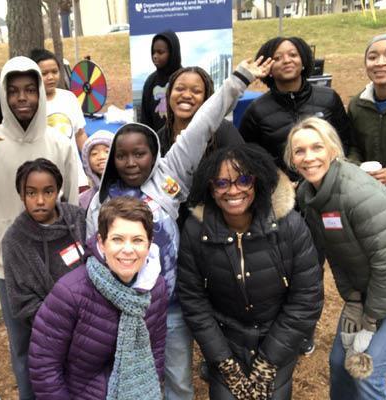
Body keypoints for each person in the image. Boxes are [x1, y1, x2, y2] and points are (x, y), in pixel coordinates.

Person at [86, 57, 273, 400]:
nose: (131, 163)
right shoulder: (100, 202)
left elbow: (204, 123)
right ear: (112, 159)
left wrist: (239, 80)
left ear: (153, 153)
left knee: (179, 384)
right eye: (122, 156)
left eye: (139, 154)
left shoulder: (168, 174)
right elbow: (93, 259)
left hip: (171, 306)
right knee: (129, 385)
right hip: (122, 311)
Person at [0, 56, 78, 400]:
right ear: (4, 95)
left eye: (29, 90)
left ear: (40, 92)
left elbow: (74, 207)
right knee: (23, 345)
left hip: (60, 265)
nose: (22, 98)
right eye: (14, 91)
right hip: (9, 266)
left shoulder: (59, 143)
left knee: (68, 340)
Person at [177, 144, 323, 399]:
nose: (233, 190)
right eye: (222, 183)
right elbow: (193, 300)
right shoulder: (195, 230)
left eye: (244, 180)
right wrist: (224, 363)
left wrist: (269, 361)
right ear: (210, 188)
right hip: (226, 341)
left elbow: (306, 298)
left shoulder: (290, 225)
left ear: (257, 182)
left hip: (276, 338)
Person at [285, 117, 386, 400]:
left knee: (367, 373)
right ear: (291, 158)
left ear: (333, 150)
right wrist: (354, 299)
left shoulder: (359, 194)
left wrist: (370, 319)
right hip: (371, 293)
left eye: (317, 148)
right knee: (339, 363)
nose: (309, 157)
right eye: (300, 151)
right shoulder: (309, 194)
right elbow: (336, 255)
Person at [28, 196, 167, 399]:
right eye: (117, 239)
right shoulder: (70, 293)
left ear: (149, 244)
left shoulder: (156, 287)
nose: (127, 249)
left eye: (137, 240)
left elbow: (156, 350)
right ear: (102, 243)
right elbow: (44, 365)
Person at [2, 158, 86, 372]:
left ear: (58, 190)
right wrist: (65, 322)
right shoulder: (15, 240)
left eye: (48, 192)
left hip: (93, 322)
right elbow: (23, 302)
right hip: (53, 335)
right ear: (21, 195)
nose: (40, 200)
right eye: (31, 193)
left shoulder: (77, 218)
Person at [239, 36, 353, 182]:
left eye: (293, 55)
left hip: (331, 184)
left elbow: (346, 143)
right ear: (268, 69)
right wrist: (280, 184)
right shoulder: (256, 111)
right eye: (277, 58)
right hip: (284, 195)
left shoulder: (329, 98)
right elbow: (250, 159)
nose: (287, 61)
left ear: (303, 61)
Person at [157, 66, 244, 232]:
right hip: (174, 227)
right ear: (169, 94)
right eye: (180, 89)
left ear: (207, 99)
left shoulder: (224, 132)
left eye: (196, 91)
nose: (187, 95)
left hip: (218, 227)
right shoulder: (159, 138)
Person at [30, 48, 89, 190]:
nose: (51, 77)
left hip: (76, 178)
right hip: (46, 181)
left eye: (54, 72)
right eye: (44, 74)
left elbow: (80, 134)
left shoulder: (69, 98)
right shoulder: (30, 105)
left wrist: (89, 164)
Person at [348, 33, 386, 199]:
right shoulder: (357, 104)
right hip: (371, 198)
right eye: (372, 57)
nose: (380, 63)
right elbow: (353, 146)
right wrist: (357, 167)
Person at [139, 30, 182, 132]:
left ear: (172, 53)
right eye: (153, 52)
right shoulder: (150, 82)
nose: (155, 56)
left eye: (160, 52)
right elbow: (145, 119)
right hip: (158, 143)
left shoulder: (184, 78)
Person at [79, 129, 114, 210]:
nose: (101, 157)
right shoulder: (84, 200)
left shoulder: (131, 192)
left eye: (107, 151)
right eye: (94, 153)